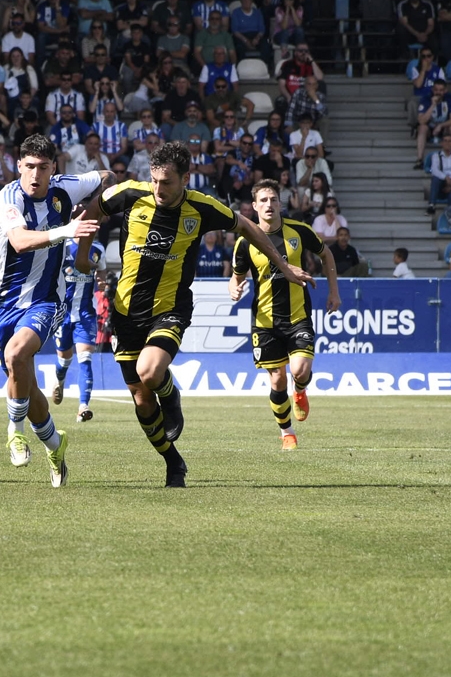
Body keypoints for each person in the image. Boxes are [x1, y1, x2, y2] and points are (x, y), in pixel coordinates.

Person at [93, 142, 313, 487]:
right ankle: (172, 461)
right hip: (125, 311)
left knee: (149, 372)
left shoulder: (201, 207)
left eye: (166, 182)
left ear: (186, 179)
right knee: (141, 399)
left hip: (169, 308)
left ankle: (170, 392)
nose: (158, 189)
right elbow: (92, 211)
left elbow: (247, 227)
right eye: (154, 181)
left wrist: (283, 265)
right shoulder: (129, 194)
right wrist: (79, 254)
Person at [0, 135, 109, 486]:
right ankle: (55, 445)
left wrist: (92, 211)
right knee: (26, 383)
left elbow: (107, 176)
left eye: (43, 167)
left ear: (54, 168)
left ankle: (14, 431)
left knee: (16, 355)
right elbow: (20, 242)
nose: (35, 175)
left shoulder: (66, 188)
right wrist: (69, 229)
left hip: (47, 301)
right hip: (3, 304)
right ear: (18, 166)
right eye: (29, 167)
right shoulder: (9, 196)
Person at [229, 180, 340, 451]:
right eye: (263, 200)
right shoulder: (245, 242)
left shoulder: (299, 232)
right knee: (277, 379)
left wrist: (334, 293)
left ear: (281, 203)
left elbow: (326, 255)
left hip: (298, 315)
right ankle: (286, 432)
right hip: (265, 321)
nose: (269, 205)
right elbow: (236, 277)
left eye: (273, 199)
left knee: (300, 369)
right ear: (254, 206)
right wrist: (234, 288)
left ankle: (300, 389)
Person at [53, 233, 105, 425]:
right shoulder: (62, 247)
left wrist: (101, 283)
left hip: (85, 315)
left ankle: (83, 406)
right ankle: (60, 379)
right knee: (64, 360)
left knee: (85, 359)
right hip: (63, 314)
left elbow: (101, 274)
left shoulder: (98, 249)